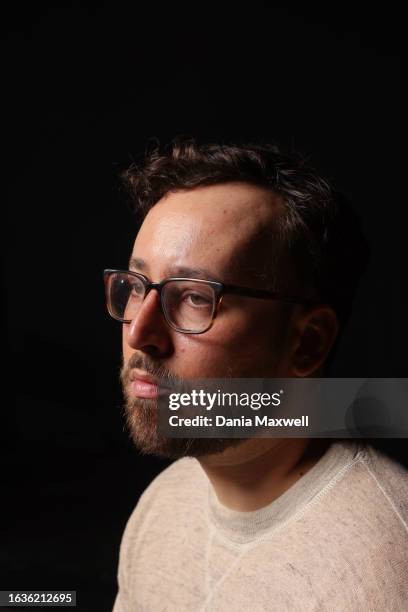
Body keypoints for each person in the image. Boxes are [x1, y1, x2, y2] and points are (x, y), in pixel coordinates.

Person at [106, 139, 408, 611]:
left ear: (306, 342)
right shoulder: (163, 504)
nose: (140, 334)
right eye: (136, 286)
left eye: (194, 297)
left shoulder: (383, 571)